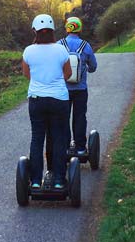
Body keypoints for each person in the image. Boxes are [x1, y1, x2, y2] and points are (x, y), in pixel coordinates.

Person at [22, 14, 72, 190]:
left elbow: (27, 74)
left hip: (36, 100)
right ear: (52, 31)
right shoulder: (60, 50)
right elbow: (68, 74)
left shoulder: (28, 51)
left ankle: (35, 181)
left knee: (37, 139)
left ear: (35, 30)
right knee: (59, 139)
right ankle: (59, 180)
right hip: (59, 100)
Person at [57, 16, 97, 157]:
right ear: (79, 28)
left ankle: (66, 148)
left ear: (67, 28)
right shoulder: (85, 46)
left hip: (63, 90)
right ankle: (80, 148)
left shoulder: (59, 45)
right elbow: (93, 67)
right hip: (80, 89)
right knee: (80, 117)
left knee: (63, 118)